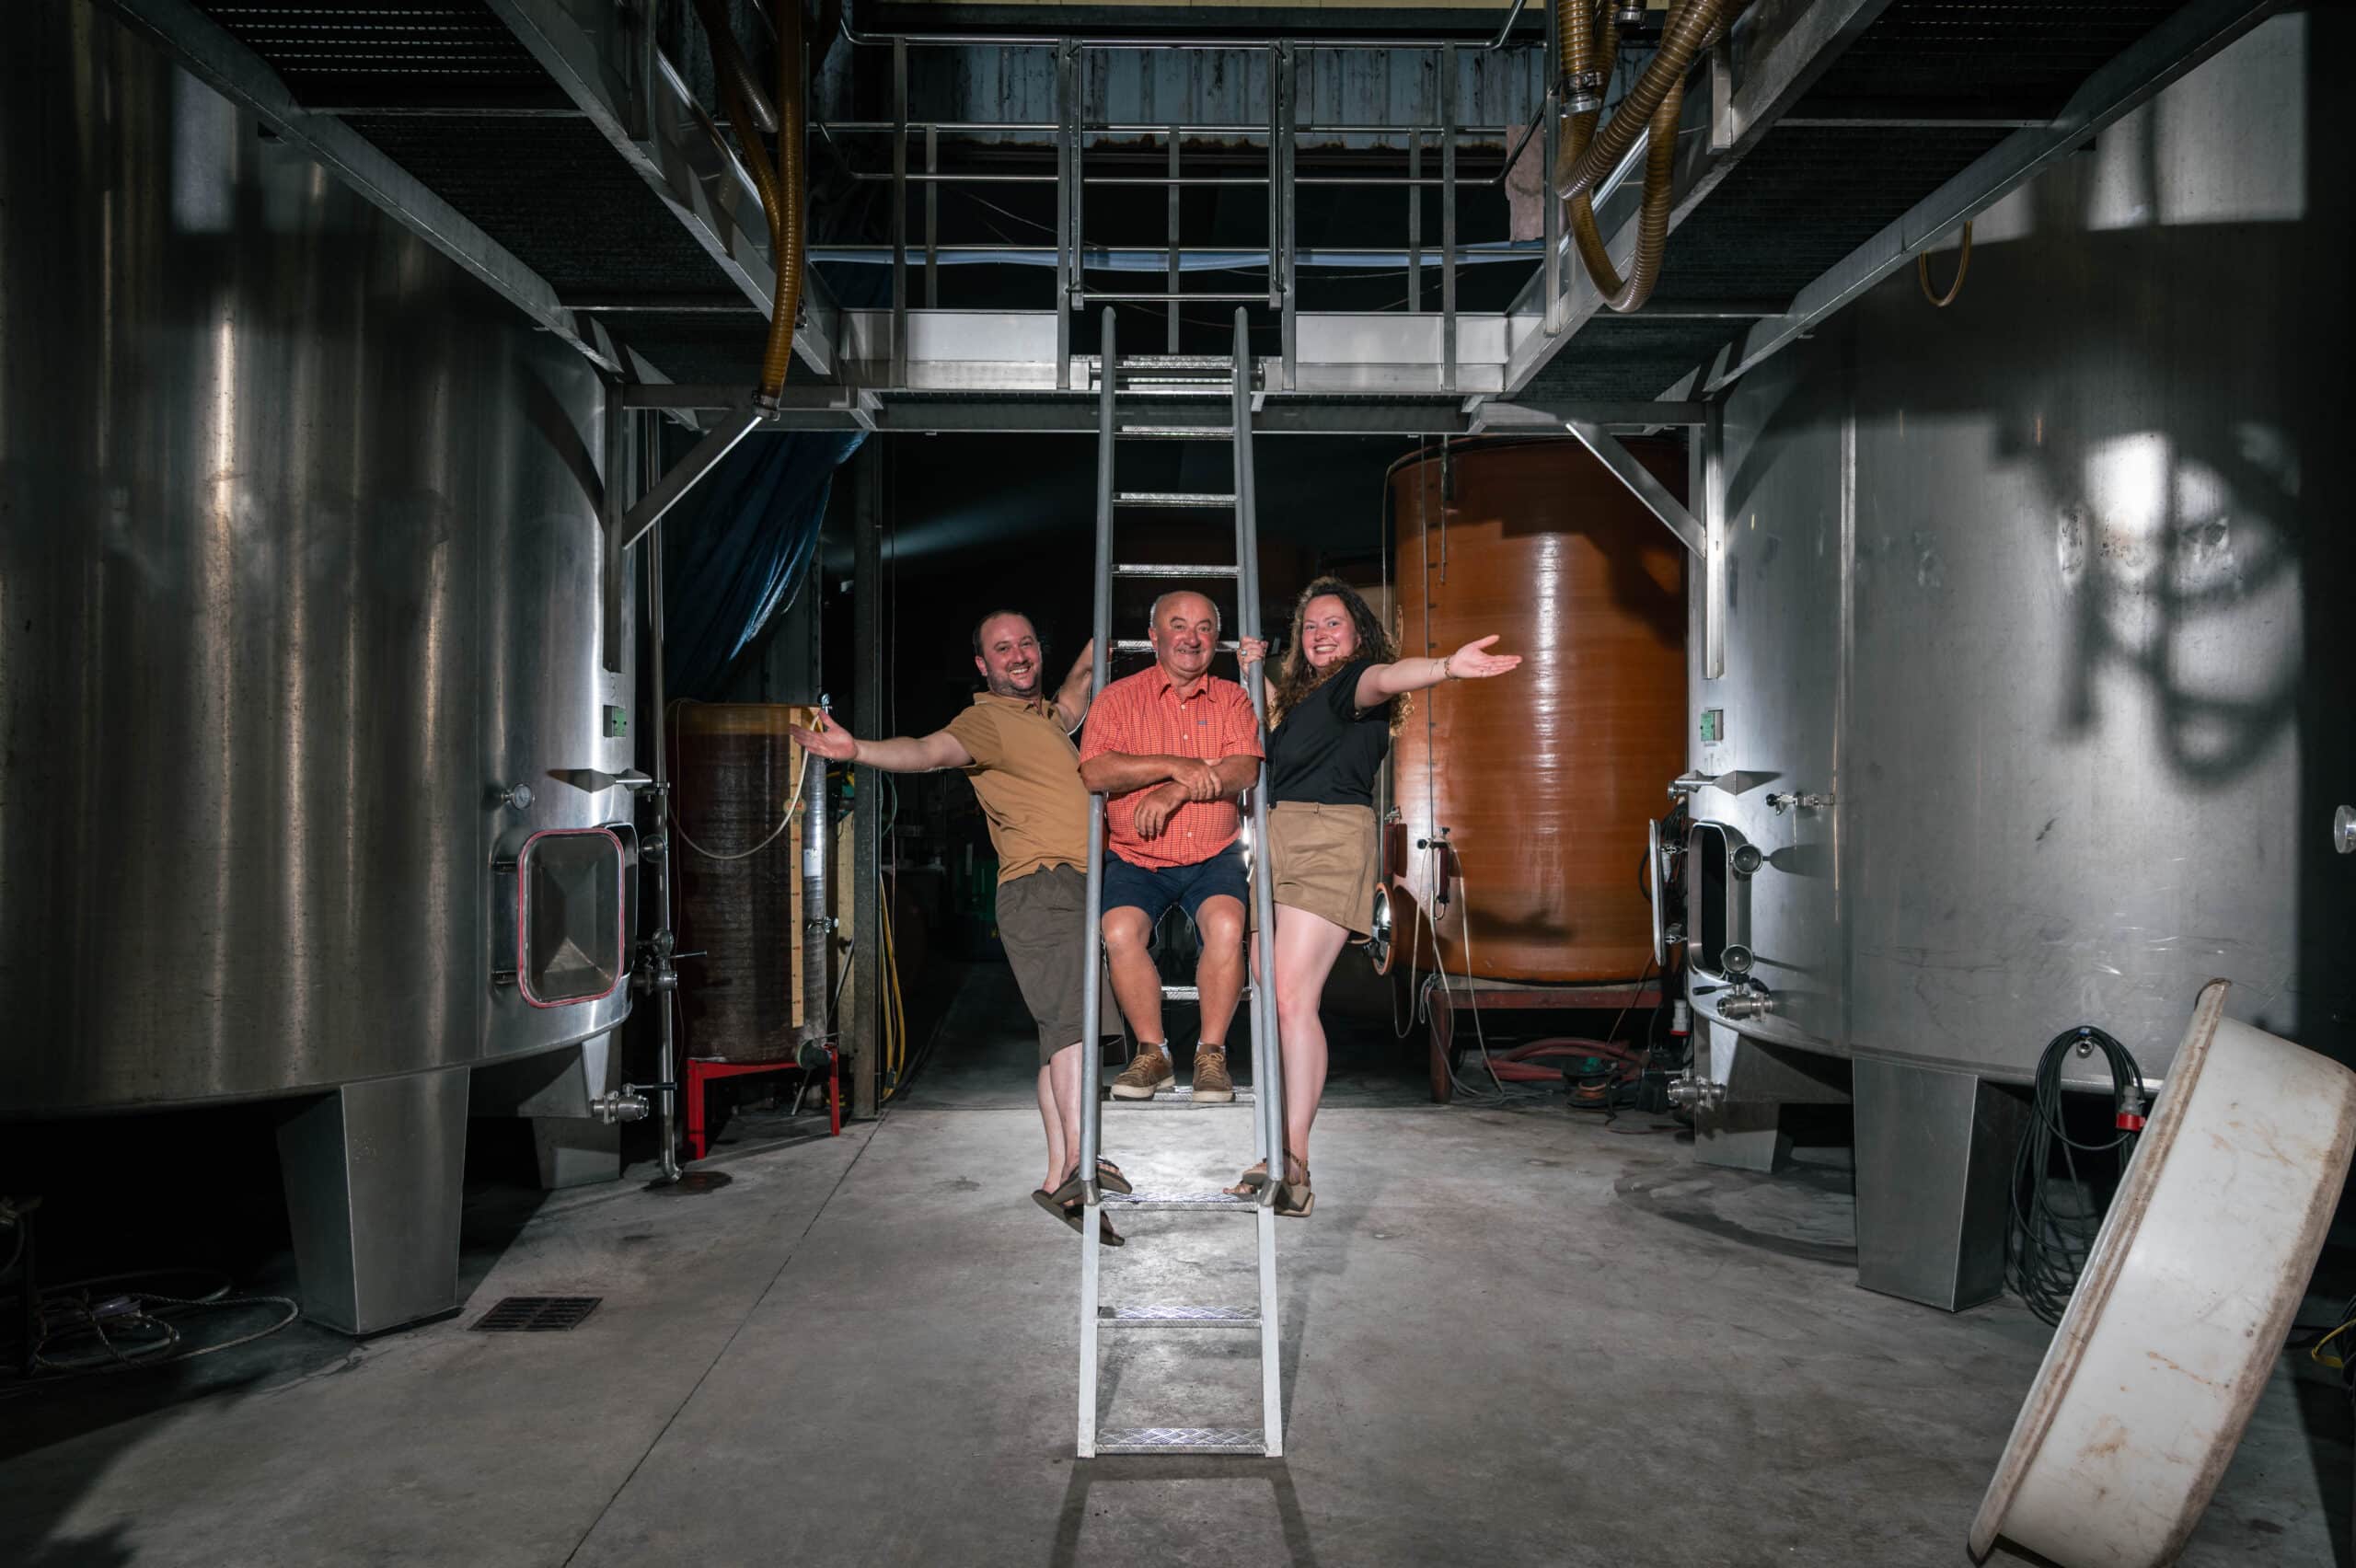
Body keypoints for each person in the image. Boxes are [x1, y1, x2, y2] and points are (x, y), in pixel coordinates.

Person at [789, 611, 1134, 1244]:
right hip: (1043, 885)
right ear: (983, 665)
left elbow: (1083, 680)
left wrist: (1104, 632)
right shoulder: (984, 721)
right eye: (1002, 649)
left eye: (1027, 642)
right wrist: (858, 750)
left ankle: (1060, 1176)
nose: (1018, 655)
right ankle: (1084, 1163)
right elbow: (927, 753)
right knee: (1078, 1025)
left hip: (1078, 889)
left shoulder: (1048, 721)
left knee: (1058, 1037)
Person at [1230, 577, 1520, 1216]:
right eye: (1310, 626)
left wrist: (1446, 667)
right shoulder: (1311, 698)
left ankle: (1295, 1159)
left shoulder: (1358, 682)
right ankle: (1279, 1149)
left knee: (1289, 998)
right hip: (1278, 839)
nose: (1321, 634)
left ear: (1358, 633)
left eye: (1334, 623)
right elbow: (1288, 744)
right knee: (1267, 990)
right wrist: (1255, 671)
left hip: (1329, 840)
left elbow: (1387, 680)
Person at [1078, 591, 1264, 1106]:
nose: (1192, 638)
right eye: (1178, 626)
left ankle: (1211, 1055)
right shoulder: (1117, 698)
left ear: (1216, 641)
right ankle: (1153, 1052)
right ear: (1155, 637)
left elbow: (1244, 768)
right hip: (1138, 858)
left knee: (1227, 926)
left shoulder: (1231, 698)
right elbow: (1096, 770)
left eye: (1204, 628)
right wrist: (1172, 763)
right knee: (1118, 931)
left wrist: (1177, 787)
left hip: (1214, 854)